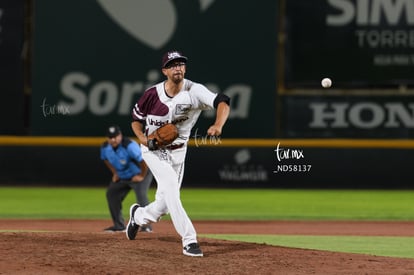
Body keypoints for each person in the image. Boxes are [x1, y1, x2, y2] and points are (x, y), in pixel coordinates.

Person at [126, 50, 231, 257]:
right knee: (172, 188)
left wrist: (218, 124)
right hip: (152, 150)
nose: (178, 67)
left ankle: (138, 215)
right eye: (173, 65)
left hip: (178, 153)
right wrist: (143, 138)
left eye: (181, 64)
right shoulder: (152, 94)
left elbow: (223, 100)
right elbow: (136, 120)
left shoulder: (194, 91)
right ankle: (189, 240)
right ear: (164, 70)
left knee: (164, 205)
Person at [101, 124, 154, 232]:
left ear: (120, 135)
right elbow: (105, 159)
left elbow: (143, 161)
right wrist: (115, 173)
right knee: (112, 193)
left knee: (141, 197)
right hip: (123, 176)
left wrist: (141, 176)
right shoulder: (105, 147)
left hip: (140, 173)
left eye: (115, 136)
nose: (113, 139)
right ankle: (119, 225)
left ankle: (146, 226)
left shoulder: (129, 145)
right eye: (110, 137)